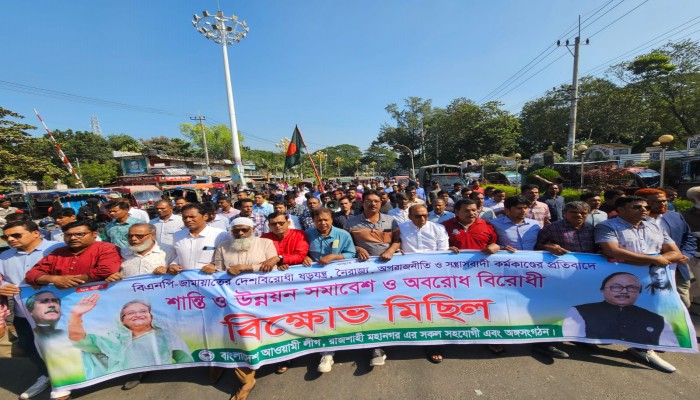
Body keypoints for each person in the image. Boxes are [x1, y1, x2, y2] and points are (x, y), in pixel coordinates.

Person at [595, 195, 683, 372]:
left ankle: (643, 349)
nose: (644, 210)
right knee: (618, 309)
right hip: (621, 278)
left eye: (645, 207)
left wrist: (657, 260)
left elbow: (674, 252)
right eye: (637, 207)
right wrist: (654, 260)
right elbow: (612, 250)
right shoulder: (607, 226)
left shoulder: (654, 226)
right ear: (620, 210)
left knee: (650, 312)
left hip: (654, 278)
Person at [491, 196, 568, 359]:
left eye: (525, 208)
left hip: (533, 274)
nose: (523, 211)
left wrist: (548, 247)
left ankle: (540, 341)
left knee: (535, 304)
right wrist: (502, 248)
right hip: (506, 273)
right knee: (504, 303)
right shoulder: (495, 224)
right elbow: (491, 244)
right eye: (519, 208)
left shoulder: (534, 225)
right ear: (507, 210)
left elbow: (538, 245)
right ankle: (496, 337)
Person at [0, 221, 64, 400]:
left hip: (61, 310)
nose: (10, 239)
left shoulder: (58, 248)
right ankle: (47, 376)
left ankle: (73, 380)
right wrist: (3, 286)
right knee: (30, 346)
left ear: (36, 233)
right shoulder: (4, 256)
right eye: (6, 237)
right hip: (24, 312)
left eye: (16, 235)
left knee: (65, 345)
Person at [68, 295, 193, 379]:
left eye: (143, 311)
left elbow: (184, 359)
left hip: (162, 379)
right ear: (122, 320)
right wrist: (76, 316)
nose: (138, 315)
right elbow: (81, 342)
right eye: (131, 313)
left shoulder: (164, 334)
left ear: (151, 316)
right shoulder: (115, 339)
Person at [344, 190, 400, 369]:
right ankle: (374, 344)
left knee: (387, 304)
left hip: (388, 271)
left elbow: (397, 240)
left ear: (381, 203)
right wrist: (357, 248)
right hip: (362, 272)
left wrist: (390, 251)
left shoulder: (391, 220)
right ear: (363, 203)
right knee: (367, 305)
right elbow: (346, 242)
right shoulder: (351, 222)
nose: (372, 204)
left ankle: (388, 337)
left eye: (376, 201)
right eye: (368, 201)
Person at [303, 208, 356, 373]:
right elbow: (302, 252)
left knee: (341, 314)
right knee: (322, 315)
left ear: (332, 219)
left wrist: (333, 257)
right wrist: (305, 258)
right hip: (316, 284)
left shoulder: (343, 235)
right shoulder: (307, 234)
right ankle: (327, 352)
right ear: (313, 221)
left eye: (326, 220)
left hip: (340, 282)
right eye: (319, 220)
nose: (323, 223)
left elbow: (351, 253)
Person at [561, 272, 678, 346]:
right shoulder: (580, 312)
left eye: (632, 288)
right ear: (603, 290)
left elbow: (667, 344)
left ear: (639, 292)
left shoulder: (657, 320)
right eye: (616, 287)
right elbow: (569, 335)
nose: (624, 291)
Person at [635, 188, 696, 308]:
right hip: (643, 270)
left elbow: (688, 238)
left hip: (676, 270)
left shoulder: (675, 217)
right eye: (656, 202)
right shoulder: (631, 220)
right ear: (642, 203)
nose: (662, 204)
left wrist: (686, 254)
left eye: (664, 201)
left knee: (682, 305)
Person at [25, 219, 122, 289]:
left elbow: (107, 270)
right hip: (64, 303)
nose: (73, 238)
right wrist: (55, 279)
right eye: (68, 235)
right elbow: (32, 275)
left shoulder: (107, 248)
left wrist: (70, 281)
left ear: (94, 234)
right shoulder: (58, 253)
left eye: (80, 234)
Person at [167, 204, 230, 275]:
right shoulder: (178, 235)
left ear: (205, 216)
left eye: (192, 217)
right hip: (184, 280)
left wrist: (215, 266)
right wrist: (173, 265)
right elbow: (177, 255)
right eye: (185, 217)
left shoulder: (221, 235)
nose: (188, 220)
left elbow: (228, 259)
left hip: (210, 281)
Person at [106, 223, 171, 283]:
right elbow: (112, 273)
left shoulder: (167, 250)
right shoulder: (121, 252)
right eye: (130, 236)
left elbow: (178, 271)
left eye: (139, 236)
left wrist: (168, 270)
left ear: (153, 235)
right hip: (130, 292)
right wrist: (111, 277)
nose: (133, 239)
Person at [212, 218, 278, 275]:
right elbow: (219, 270)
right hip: (232, 286)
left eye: (244, 230)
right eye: (236, 231)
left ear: (253, 229)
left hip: (259, 284)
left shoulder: (266, 243)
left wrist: (245, 268)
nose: (240, 233)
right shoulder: (223, 246)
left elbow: (273, 267)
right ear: (231, 231)